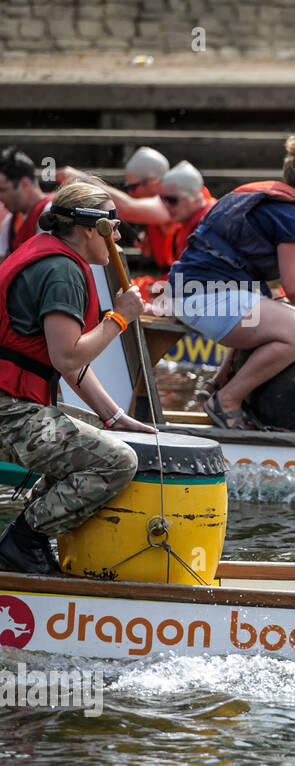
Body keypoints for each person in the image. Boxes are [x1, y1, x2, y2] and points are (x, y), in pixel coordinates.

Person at [0, 180, 155, 574]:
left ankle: (26, 538)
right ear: (91, 228)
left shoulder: (54, 258)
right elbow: (67, 355)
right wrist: (119, 319)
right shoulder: (62, 271)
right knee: (117, 461)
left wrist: (114, 416)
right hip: (9, 412)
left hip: (16, 403)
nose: (119, 235)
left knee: (101, 435)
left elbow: (65, 365)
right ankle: (24, 540)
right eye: (114, 225)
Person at [164, 133, 295, 429]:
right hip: (206, 298)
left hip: (189, 291)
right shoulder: (291, 214)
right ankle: (227, 400)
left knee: (277, 303)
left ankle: (216, 385)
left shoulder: (262, 194)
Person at [0, 148, 54, 259]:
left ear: (24, 184)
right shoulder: (10, 222)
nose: (0, 198)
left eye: (3, 190)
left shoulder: (52, 212)